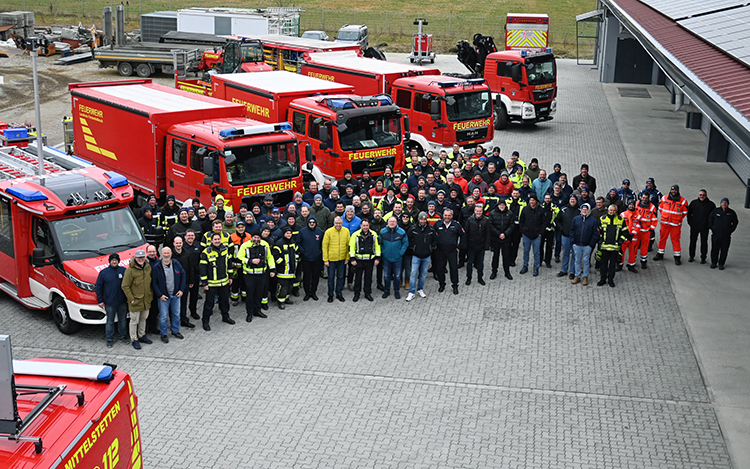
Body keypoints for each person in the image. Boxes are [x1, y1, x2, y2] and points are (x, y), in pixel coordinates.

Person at [200, 232, 236, 330]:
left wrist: (231, 277)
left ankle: (225, 317)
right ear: (211, 241)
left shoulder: (225, 250)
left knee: (224, 301)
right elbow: (203, 268)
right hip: (211, 283)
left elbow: (228, 264)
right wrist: (204, 283)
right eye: (215, 239)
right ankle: (205, 321)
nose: (217, 241)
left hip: (224, 282)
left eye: (218, 239)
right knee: (209, 303)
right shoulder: (206, 252)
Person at [237, 229, 275, 321]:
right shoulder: (245, 245)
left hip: (262, 274)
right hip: (249, 275)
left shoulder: (265, 244)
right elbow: (239, 257)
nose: (256, 239)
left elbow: (269, 257)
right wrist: (250, 261)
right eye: (255, 237)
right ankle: (249, 313)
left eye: (258, 237)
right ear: (252, 237)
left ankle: (257, 310)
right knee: (250, 295)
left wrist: (272, 269)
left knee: (259, 293)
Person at [152, 246, 187, 343]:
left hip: (176, 295)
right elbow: (154, 282)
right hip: (164, 297)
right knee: (163, 316)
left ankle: (175, 331)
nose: (166, 255)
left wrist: (181, 290)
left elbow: (183, 275)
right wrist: (160, 295)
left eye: (168, 253)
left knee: (176, 314)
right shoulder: (157, 267)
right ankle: (163, 333)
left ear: (171, 254)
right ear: (161, 254)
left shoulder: (176, 263)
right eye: (164, 253)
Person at [121, 250, 153, 350]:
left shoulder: (148, 267)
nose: (141, 259)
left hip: (146, 300)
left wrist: (150, 295)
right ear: (135, 258)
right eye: (139, 258)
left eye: (142, 257)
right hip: (135, 301)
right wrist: (131, 299)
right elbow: (125, 286)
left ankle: (142, 335)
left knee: (143, 319)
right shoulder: (130, 270)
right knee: (134, 321)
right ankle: (134, 339)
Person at [95, 253, 128, 348]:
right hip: (110, 302)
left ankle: (122, 336)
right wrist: (100, 300)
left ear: (118, 261)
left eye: (116, 260)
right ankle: (109, 339)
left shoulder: (124, 270)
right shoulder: (104, 272)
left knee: (123, 320)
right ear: (109, 261)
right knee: (110, 321)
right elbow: (98, 287)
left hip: (122, 302)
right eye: (112, 260)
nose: (114, 261)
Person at [654, 184, 688, 265]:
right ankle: (660, 254)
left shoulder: (683, 201)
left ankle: (677, 257)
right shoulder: (664, 198)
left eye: (675, 190)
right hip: (665, 224)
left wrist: (677, 219)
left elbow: (684, 213)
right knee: (662, 239)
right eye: (672, 190)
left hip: (675, 225)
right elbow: (661, 208)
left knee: (675, 240)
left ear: (678, 191)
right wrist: (666, 217)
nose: (673, 191)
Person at [596, 205, 629, 287]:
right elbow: (597, 231)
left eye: (614, 210)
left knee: (612, 265)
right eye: (611, 210)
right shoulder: (602, 219)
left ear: (616, 211)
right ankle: (603, 279)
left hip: (615, 248)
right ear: (608, 210)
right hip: (604, 247)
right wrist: (600, 240)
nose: (612, 212)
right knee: (603, 264)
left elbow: (625, 232)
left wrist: (620, 241)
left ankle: (611, 280)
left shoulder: (621, 220)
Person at [434, 209, 465, 294]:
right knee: (440, 269)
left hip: (452, 251)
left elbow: (463, 236)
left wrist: (459, 247)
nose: (447, 217)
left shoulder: (456, 225)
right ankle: (441, 285)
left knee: (454, 269)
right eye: (445, 215)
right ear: (443, 215)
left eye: (449, 215)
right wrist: (434, 245)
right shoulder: (438, 224)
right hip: (440, 251)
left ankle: (455, 286)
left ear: (452, 216)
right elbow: (432, 234)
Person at [349, 219, 381, 302]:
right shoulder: (355, 235)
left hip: (370, 260)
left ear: (369, 226)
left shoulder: (374, 234)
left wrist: (377, 258)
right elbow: (352, 247)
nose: (365, 227)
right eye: (364, 225)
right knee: (358, 278)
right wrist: (352, 259)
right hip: (359, 260)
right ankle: (357, 294)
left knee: (368, 278)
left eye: (367, 225)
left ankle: (367, 293)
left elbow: (377, 246)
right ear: (361, 226)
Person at [406, 212, 436, 301]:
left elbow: (435, 240)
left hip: (426, 256)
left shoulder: (431, 229)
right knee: (413, 273)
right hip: (416, 255)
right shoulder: (413, 229)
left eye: (424, 219)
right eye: (421, 219)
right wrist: (413, 248)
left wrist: (431, 248)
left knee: (423, 274)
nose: (423, 221)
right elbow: (408, 239)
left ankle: (420, 289)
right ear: (418, 219)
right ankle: (411, 292)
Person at [570, 203, 600, 286]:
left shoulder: (593, 221)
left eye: (586, 210)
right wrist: (573, 242)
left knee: (586, 261)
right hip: (577, 245)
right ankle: (577, 276)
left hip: (587, 245)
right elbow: (572, 231)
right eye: (583, 209)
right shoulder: (576, 219)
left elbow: (595, 234)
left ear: (589, 210)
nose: (584, 211)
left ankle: (585, 276)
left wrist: (591, 244)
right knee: (577, 261)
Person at [379, 216, 408, 299]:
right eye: (390, 221)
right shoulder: (383, 231)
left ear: (396, 223)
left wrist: (401, 252)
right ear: (387, 223)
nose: (392, 223)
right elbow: (379, 242)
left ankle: (396, 291)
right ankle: (387, 291)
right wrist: (383, 252)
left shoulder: (402, 232)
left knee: (398, 276)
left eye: (393, 222)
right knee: (386, 276)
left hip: (397, 259)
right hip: (386, 258)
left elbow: (405, 243)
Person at [322, 216, 350, 302]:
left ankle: (339, 293)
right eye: (336, 223)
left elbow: (348, 245)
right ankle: (330, 294)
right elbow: (324, 246)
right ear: (334, 223)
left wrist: (347, 257)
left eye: (340, 223)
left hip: (342, 259)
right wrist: (325, 259)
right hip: (331, 259)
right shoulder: (328, 232)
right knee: (331, 278)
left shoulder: (346, 231)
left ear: (342, 223)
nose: (338, 225)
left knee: (341, 277)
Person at [171, 236, 195, 329]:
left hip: (184, 282)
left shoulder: (186, 253)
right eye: (177, 243)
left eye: (180, 243)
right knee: (174, 303)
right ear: (174, 244)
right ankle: (174, 320)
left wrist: (191, 280)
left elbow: (190, 268)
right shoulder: (171, 254)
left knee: (184, 301)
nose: (178, 245)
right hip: (174, 283)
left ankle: (184, 320)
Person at [487, 199, 515, 281]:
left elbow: (512, 225)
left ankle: (507, 272)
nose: (502, 206)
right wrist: (499, 234)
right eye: (500, 205)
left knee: (506, 256)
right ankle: (494, 272)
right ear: (498, 205)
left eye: (503, 205)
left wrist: (505, 234)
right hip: (495, 238)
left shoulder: (510, 213)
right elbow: (490, 225)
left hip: (506, 238)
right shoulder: (492, 213)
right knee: (495, 256)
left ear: (505, 206)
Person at [708, 198, 739, 270]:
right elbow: (710, 219)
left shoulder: (731, 213)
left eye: (725, 202)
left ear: (728, 204)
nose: (724, 204)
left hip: (726, 235)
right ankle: (714, 263)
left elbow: (735, 222)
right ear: (720, 203)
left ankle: (721, 264)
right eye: (723, 202)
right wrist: (712, 228)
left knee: (724, 250)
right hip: (716, 234)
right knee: (714, 249)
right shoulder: (715, 211)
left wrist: (730, 230)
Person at [687, 189, 716, 264]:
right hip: (694, 226)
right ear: (698, 195)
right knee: (692, 241)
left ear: (706, 195)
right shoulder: (694, 203)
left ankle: (703, 258)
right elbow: (689, 214)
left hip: (705, 227)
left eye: (703, 195)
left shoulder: (711, 205)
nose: (702, 196)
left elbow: (713, 217)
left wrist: (709, 225)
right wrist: (690, 223)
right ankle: (691, 256)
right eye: (700, 195)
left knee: (704, 242)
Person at [464, 204, 490, 285]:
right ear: (474, 211)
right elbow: (466, 233)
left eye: (480, 211)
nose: (478, 212)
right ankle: (469, 278)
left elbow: (488, 234)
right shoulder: (470, 220)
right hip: (471, 246)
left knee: (480, 263)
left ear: (482, 212)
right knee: (469, 263)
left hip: (481, 246)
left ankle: (480, 278)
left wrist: (487, 245)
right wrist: (465, 244)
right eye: (477, 211)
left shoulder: (485, 220)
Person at [273, 226, 299, 309]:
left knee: (290, 286)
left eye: (290, 233)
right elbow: (275, 256)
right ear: (284, 234)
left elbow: (297, 252)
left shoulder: (293, 242)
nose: (289, 234)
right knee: (283, 287)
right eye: (287, 233)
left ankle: (286, 298)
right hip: (283, 271)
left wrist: (296, 260)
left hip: (291, 270)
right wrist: (282, 264)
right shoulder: (279, 243)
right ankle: (280, 301)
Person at [519, 195, 545, 276]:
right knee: (526, 251)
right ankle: (525, 266)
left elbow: (544, 223)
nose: (532, 202)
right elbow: (521, 220)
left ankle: (536, 268)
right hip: (526, 234)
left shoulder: (541, 210)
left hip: (537, 235)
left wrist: (541, 233)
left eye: (533, 200)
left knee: (536, 252)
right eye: (530, 200)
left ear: (536, 201)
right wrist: (522, 231)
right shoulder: (525, 209)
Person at [556, 196, 580, 279]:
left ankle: (573, 271)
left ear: (576, 201)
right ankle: (564, 270)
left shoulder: (580, 211)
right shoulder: (563, 209)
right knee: (565, 253)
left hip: (575, 237)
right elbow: (557, 219)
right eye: (571, 199)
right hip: (565, 235)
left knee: (574, 254)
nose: (572, 201)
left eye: (574, 200)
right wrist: (561, 229)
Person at [538, 193, 560, 269]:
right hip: (542, 229)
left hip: (551, 229)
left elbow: (557, 217)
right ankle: (540, 260)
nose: (547, 200)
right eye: (546, 198)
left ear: (551, 199)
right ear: (544, 199)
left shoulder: (555, 207)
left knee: (549, 246)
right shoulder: (540, 207)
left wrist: (553, 225)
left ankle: (548, 261)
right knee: (540, 246)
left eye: (548, 198)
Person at [620, 200, 641, 273]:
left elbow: (638, 226)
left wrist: (632, 233)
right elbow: (620, 225)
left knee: (632, 252)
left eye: (632, 204)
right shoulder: (623, 214)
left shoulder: (638, 215)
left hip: (633, 238)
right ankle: (620, 265)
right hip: (624, 237)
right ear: (627, 205)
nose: (631, 206)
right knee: (621, 252)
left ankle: (631, 265)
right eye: (630, 204)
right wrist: (625, 234)